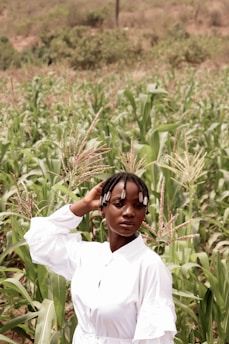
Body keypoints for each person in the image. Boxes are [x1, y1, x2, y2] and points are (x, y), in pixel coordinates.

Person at [24, 172, 177, 344]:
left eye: (138, 206)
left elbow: (156, 338)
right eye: (119, 204)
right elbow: (39, 241)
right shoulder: (89, 256)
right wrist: (84, 205)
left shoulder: (150, 266)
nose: (129, 212)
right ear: (102, 209)